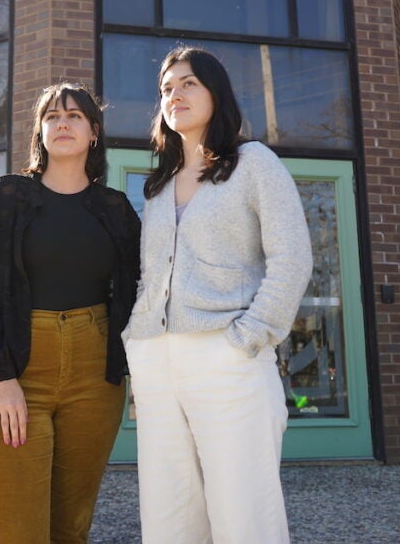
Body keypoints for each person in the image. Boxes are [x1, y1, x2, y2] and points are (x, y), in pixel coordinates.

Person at [124, 46, 313, 544]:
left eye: (188, 83)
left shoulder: (253, 163)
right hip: (156, 362)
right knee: (168, 516)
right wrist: (137, 342)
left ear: (216, 92)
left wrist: (248, 337)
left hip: (227, 356)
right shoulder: (157, 186)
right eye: (166, 88)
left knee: (243, 514)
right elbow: (151, 276)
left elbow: (292, 259)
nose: (175, 94)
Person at [0, 83, 141, 544]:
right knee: (19, 531)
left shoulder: (116, 209)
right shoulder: (8, 197)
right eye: (53, 116)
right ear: (40, 131)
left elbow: (141, 291)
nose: (63, 123)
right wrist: (0, 378)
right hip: (15, 370)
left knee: (71, 529)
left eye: (75, 116)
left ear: (94, 133)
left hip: (94, 377)